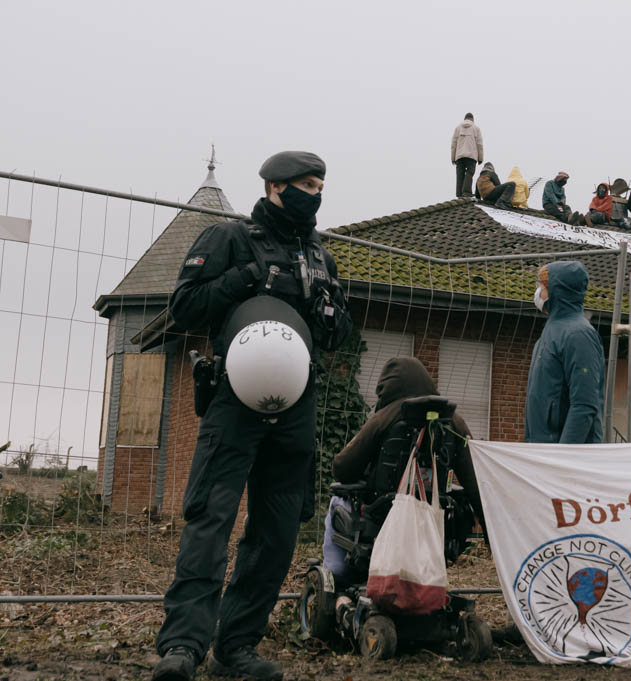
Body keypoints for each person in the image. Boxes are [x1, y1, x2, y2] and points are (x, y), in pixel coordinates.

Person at [153, 151, 350, 681]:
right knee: (209, 522)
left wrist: (333, 312)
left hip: (295, 407)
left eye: (320, 184)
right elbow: (186, 306)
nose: (314, 193)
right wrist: (244, 278)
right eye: (305, 184)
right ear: (273, 187)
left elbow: (338, 338)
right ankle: (183, 646)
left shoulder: (320, 257)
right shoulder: (229, 240)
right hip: (232, 403)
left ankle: (235, 645)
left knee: (278, 529)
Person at [327, 357, 485, 579]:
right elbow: (476, 481)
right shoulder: (453, 421)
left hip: (381, 514)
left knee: (337, 498)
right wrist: (489, 531)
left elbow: (342, 469)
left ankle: (336, 577)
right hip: (435, 518)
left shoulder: (386, 416)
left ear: (388, 388)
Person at [525, 261, 605, 443]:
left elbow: (584, 405)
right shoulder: (551, 332)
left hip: (567, 460)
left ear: (557, 290)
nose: (538, 292)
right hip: (543, 451)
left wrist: (563, 456)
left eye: (542, 286)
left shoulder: (578, 335)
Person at [451, 112, 484, 198]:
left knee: (459, 174)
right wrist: (480, 158)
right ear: (472, 120)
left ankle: (459, 194)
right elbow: (479, 144)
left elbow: (453, 144)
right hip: (471, 156)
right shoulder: (476, 128)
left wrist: (453, 158)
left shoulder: (457, 128)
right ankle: (466, 192)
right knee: (470, 172)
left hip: (459, 156)